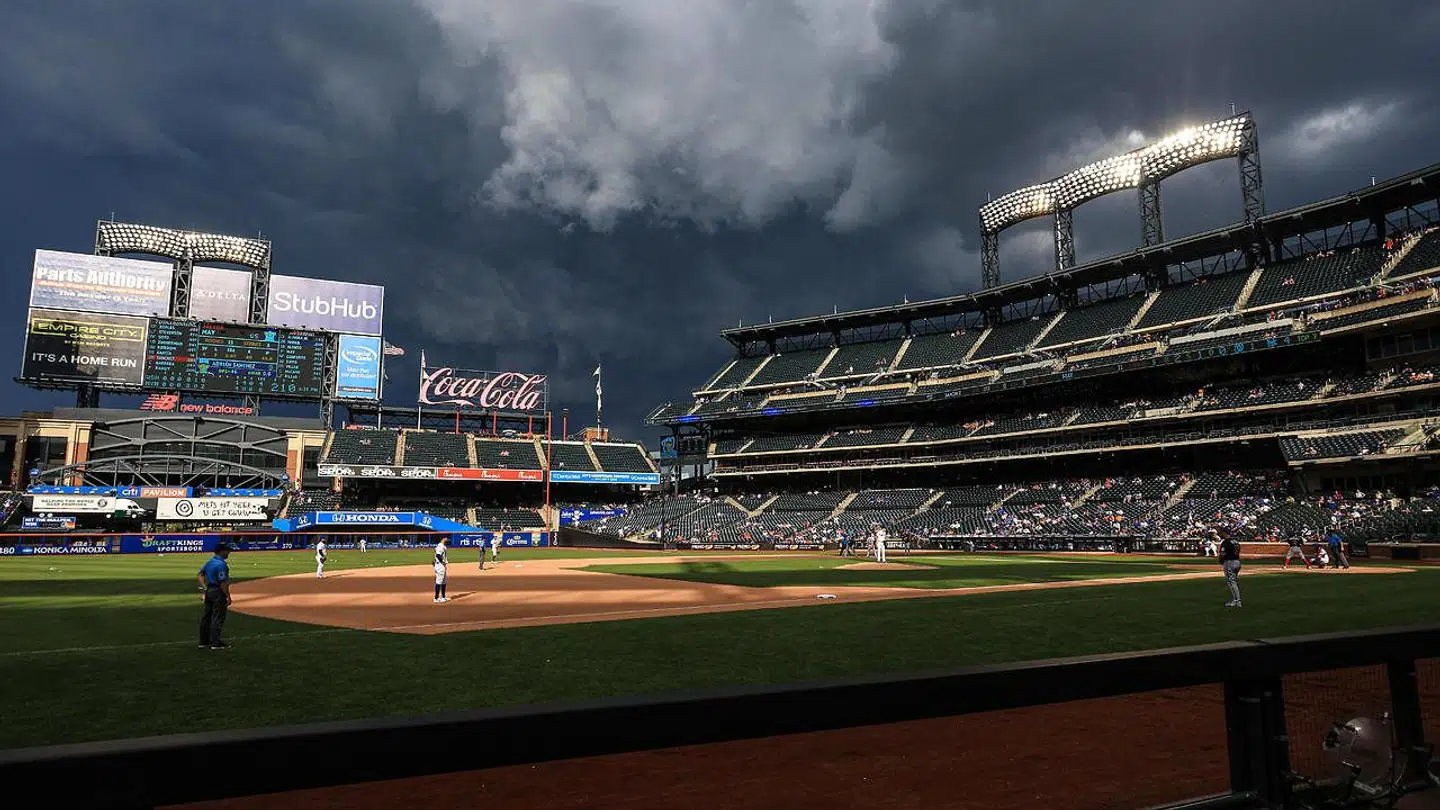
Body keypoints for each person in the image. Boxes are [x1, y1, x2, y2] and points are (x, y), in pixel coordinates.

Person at [197, 542, 233, 649]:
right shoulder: (221, 565)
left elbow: (200, 574)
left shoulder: (210, 562)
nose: (229, 552)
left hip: (209, 591)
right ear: (222, 551)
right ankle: (215, 642)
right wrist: (227, 596)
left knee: (207, 617)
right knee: (217, 617)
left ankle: (203, 641)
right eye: (227, 550)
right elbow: (223, 582)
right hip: (217, 591)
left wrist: (205, 587)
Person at [1219, 532, 1242, 608]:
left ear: (1225, 533)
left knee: (1231, 582)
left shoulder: (1226, 542)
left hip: (1230, 562)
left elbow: (1223, 553)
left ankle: (1237, 601)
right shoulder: (1235, 541)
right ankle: (1236, 600)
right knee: (1233, 581)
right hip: (1237, 561)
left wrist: (1221, 560)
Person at [433, 537, 450, 603]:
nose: (448, 540)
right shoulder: (441, 546)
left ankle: (443, 597)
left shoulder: (442, 546)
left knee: (444, 581)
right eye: (447, 538)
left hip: (441, 565)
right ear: (443, 538)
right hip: (440, 566)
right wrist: (442, 562)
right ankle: (436, 598)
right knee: (439, 582)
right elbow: (438, 555)